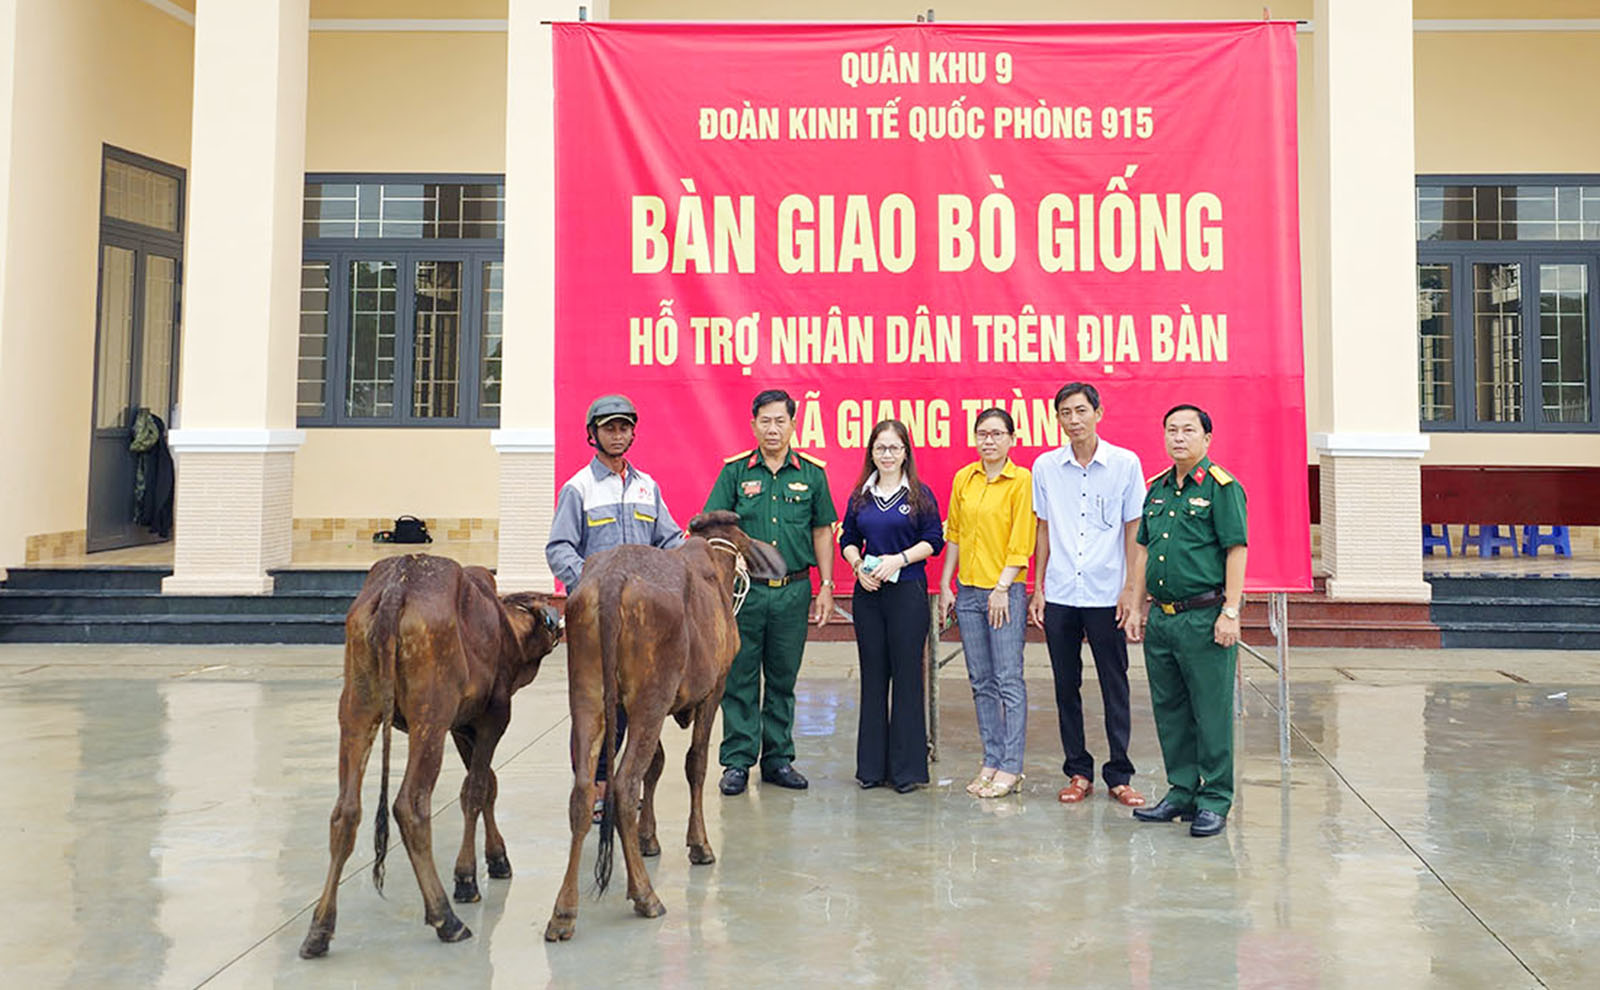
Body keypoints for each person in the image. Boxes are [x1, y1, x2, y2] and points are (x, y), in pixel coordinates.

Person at [546, 394, 682, 816]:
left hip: (641, 623)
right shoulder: (578, 489)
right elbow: (559, 548)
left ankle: (624, 782)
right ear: (593, 434)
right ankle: (593, 786)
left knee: (635, 702)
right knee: (594, 705)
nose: (617, 435)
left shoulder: (647, 487)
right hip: (595, 621)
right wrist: (590, 586)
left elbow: (669, 539)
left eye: (624, 428)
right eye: (609, 428)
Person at [704, 389, 838, 795]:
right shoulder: (735, 473)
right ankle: (737, 762)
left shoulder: (811, 474)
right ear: (753, 425)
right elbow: (714, 527)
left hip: (793, 592)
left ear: (793, 425)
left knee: (783, 678)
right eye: (766, 421)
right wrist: (727, 566)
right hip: (745, 593)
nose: (773, 429)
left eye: (781, 421)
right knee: (740, 678)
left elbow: (822, 531)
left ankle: (778, 759)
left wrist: (826, 586)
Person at [1128, 404, 1248, 838]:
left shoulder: (1222, 488)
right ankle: (1182, 791)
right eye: (1172, 430)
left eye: (1188, 430)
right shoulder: (1157, 488)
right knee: (1171, 711)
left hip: (1205, 617)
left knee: (1211, 713)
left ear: (1206, 438)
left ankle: (1214, 799)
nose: (1178, 438)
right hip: (1163, 619)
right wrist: (1137, 606)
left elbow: (1236, 549)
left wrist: (1230, 611)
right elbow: (1143, 551)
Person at [1027, 382, 1148, 808]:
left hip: (1106, 593)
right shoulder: (1045, 467)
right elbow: (1043, 528)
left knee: (1115, 683)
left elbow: (1135, 529)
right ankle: (1078, 771)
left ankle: (1120, 774)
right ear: (1057, 419)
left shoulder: (1124, 464)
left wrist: (1131, 590)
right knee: (1066, 685)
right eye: (1065, 412)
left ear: (1098, 413)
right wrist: (1038, 587)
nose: (1074, 420)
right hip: (1062, 591)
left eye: (1081, 410)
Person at [840, 420, 945, 794]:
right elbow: (848, 539)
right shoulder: (861, 496)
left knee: (906, 678)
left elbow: (934, 540)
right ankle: (871, 768)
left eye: (894, 448)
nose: (887, 455)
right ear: (871, 452)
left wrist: (898, 560)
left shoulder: (919, 495)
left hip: (907, 594)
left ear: (905, 453)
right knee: (873, 677)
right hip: (869, 595)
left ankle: (906, 771)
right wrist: (858, 566)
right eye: (880, 448)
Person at [937, 408, 1035, 799]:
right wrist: (946, 583)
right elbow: (955, 534)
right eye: (982, 434)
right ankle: (991, 760)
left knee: (1008, 679)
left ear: (1012, 438)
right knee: (980, 681)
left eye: (996, 434)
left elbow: (1021, 540)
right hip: (968, 592)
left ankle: (1011, 766)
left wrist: (1001, 587)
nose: (988, 441)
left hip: (1004, 593)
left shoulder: (1021, 480)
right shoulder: (965, 477)